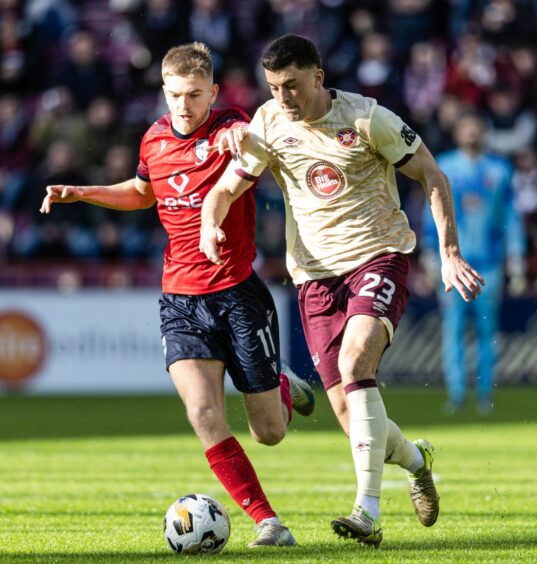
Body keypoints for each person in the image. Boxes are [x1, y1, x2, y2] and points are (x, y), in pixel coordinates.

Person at [199, 34, 485, 548]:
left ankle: (367, 513)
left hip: (379, 257)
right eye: (272, 87)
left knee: (356, 365)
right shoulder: (268, 123)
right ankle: (417, 461)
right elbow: (226, 188)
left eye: (291, 85)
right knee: (353, 416)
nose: (282, 97)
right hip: (313, 278)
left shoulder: (366, 118)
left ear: (318, 77)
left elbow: (432, 176)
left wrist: (448, 253)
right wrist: (210, 225)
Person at [39, 41, 315, 549]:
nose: (182, 105)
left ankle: (278, 383)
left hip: (238, 295)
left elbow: (252, 137)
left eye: (192, 94)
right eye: (173, 95)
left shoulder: (232, 127)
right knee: (203, 413)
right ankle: (268, 522)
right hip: (180, 300)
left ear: (212, 91)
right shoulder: (154, 140)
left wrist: (239, 137)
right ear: (164, 92)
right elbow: (144, 193)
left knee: (270, 433)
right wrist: (84, 193)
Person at [421, 111, 526, 414]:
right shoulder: (444, 165)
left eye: (476, 127)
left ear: (484, 132)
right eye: (466, 127)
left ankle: (483, 394)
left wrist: (516, 257)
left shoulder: (501, 170)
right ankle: (456, 393)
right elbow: (432, 210)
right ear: (457, 132)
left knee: (485, 330)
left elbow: (511, 217)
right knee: (452, 329)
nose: (471, 133)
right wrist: (430, 251)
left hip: (489, 264)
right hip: (454, 264)